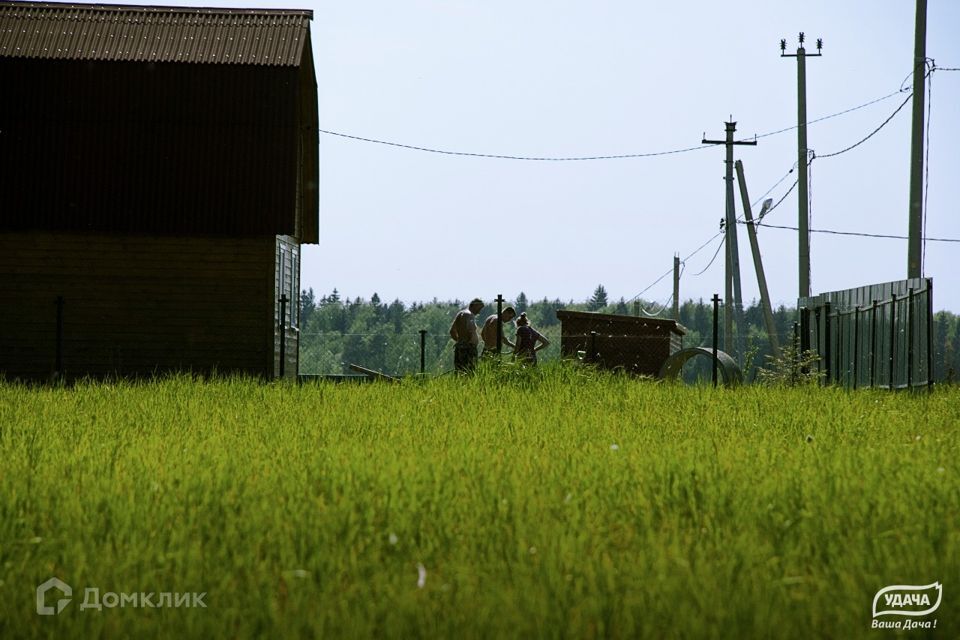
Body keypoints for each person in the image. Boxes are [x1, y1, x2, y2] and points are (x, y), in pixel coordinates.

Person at [449, 298, 484, 372]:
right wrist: (470, 343)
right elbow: (470, 330)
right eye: (479, 308)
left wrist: (460, 342)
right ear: (474, 305)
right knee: (470, 372)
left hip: (460, 347)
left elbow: (452, 331)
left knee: (459, 371)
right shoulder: (469, 315)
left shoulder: (460, 314)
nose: (479, 312)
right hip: (468, 349)